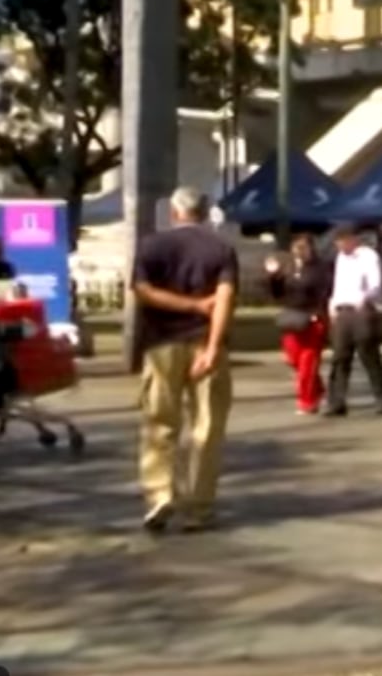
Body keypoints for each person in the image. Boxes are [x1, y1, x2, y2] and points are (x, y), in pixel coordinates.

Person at [130, 187, 239, 534]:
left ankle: (160, 493)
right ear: (205, 213)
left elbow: (142, 291)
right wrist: (211, 347)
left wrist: (186, 306)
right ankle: (199, 508)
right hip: (205, 344)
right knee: (207, 428)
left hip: (162, 344)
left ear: (175, 213)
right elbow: (224, 299)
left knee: (159, 423)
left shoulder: (151, 246)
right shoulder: (221, 249)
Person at [327, 224, 382, 416]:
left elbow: (375, 285)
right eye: (338, 243)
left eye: (343, 242)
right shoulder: (340, 258)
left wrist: (363, 299)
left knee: (369, 355)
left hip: (361, 309)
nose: (340, 247)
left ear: (352, 240)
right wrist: (333, 306)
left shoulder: (367, 256)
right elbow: (337, 285)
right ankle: (337, 402)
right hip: (342, 310)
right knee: (340, 358)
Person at [269, 234, 331, 415]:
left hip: (312, 319)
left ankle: (307, 401)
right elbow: (277, 294)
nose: (300, 251)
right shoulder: (289, 268)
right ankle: (317, 389)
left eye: (303, 247)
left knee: (307, 364)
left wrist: (319, 313)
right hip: (292, 319)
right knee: (294, 359)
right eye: (296, 247)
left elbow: (325, 291)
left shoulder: (319, 269)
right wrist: (274, 277)